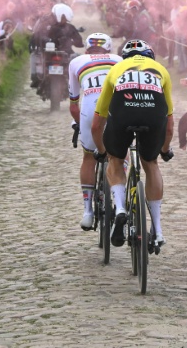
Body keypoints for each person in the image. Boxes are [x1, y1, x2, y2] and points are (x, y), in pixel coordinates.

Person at [91, 39, 174, 249]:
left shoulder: (116, 69)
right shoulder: (161, 70)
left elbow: (97, 123)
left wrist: (102, 152)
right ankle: (158, 230)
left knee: (116, 160)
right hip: (153, 117)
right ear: (151, 56)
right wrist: (164, 150)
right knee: (151, 164)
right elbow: (170, 123)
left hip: (123, 116)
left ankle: (120, 208)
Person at [67, 32, 122, 230]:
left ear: (87, 49)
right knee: (120, 157)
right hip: (115, 111)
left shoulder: (77, 61)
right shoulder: (119, 60)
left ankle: (87, 212)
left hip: (90, 111)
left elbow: (73, 106)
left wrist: (79, 124)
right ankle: (120, 204)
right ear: (109, 49)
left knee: (89, 157)